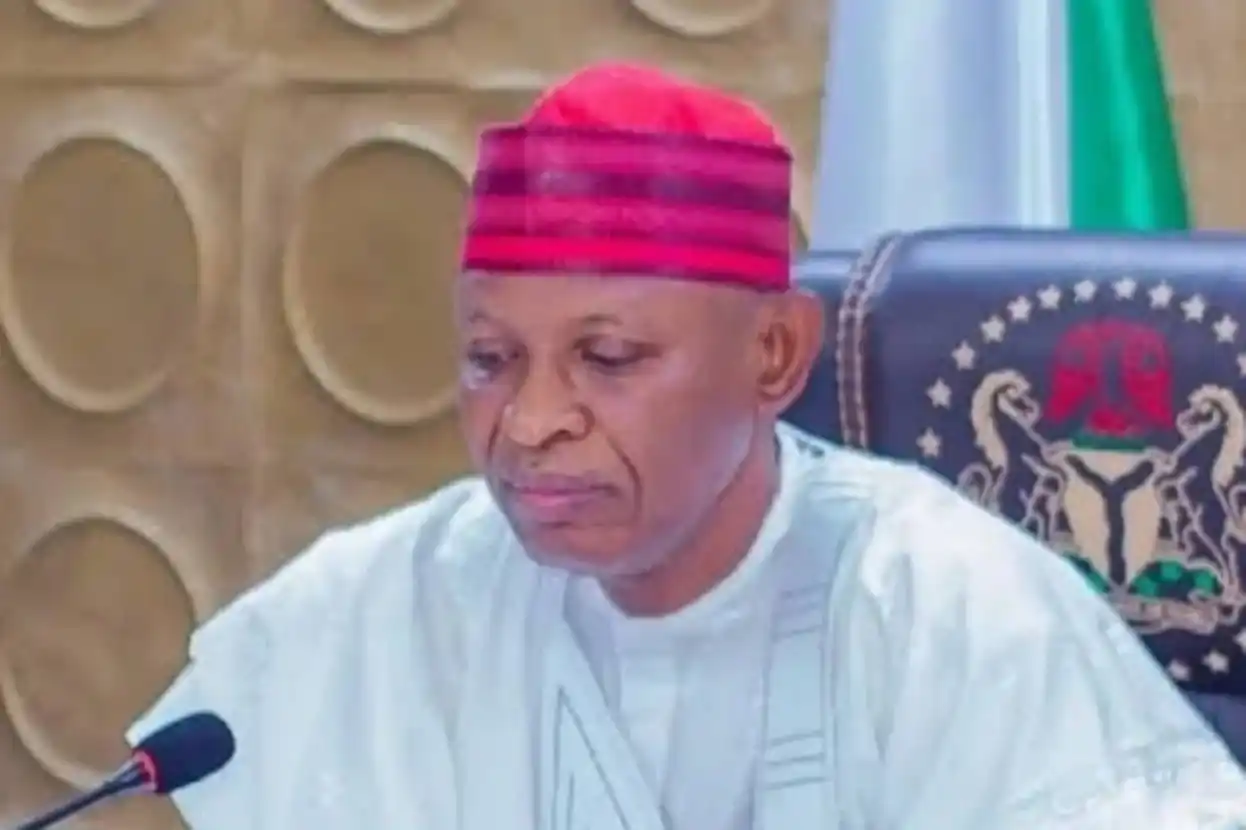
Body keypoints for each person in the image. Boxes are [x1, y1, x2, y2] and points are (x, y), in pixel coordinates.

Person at [128, 63, 1246, 830]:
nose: (529, 421)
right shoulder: (398, 597)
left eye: (607, 357)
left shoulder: (942, 603)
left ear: (774, 354)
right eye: (489, 358)